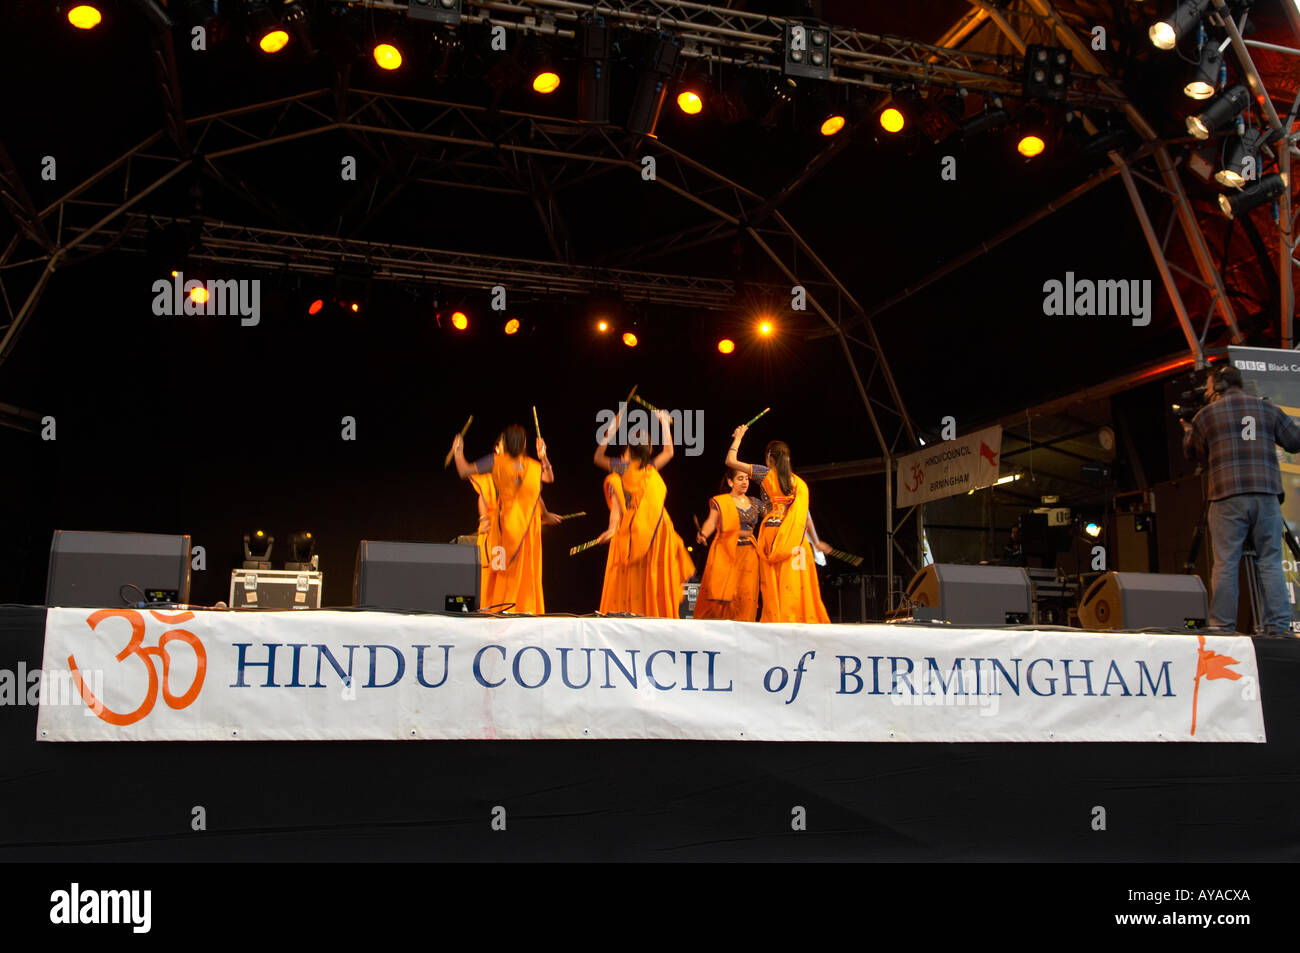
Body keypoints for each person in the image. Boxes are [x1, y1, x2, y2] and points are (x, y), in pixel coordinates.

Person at [1182, 364, 1300, 637]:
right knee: (1270, 561)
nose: (1208, 393)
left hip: (1227, 497)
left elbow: (1193, 454)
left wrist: (1188, 430)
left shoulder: (1206, 415)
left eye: (1210, 388)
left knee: (1226, 562)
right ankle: (1279, 628)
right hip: (1266, 495)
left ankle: (1223, 627)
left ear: (1220, 387)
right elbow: (1294, 441)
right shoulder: (1267, 409)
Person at [594, 406, 695, 617]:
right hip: (656, 532)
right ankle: (653, 615)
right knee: (651, 577)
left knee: (632, 578)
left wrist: (611, 431)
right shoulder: (651, 469)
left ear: (627, 449)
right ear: (649, 450)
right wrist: (664, 423)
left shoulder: (620, 468)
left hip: (629, 533)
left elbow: (597, 458)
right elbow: (669, 451)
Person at [726, 426, 831, 623]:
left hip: (772, 533)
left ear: (769, 457)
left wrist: (739, 437)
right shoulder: (799, 484)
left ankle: (776, 621)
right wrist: (816, 542)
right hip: (795, 539)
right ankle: (794, 620)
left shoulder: (765, 475)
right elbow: (805, 517)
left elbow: (730, 461)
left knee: (772, 582)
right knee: (792, 582)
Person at [452, 423, 554, 613]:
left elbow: (464, 471)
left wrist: (458, 451)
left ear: (505, 444)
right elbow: (549, 477)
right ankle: (523, 609)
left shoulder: (495, 462)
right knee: (522, 572)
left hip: (503, 529)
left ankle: (499, 610)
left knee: (502, 572)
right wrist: (543, 456)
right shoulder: (532, 466)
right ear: (524, 444)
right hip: (525, 530)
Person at [694, 468, 763, 621]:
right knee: (725, 595)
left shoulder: (755, 503)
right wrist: (703, 533)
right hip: (726, 551)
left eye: (746, 478)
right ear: (730, 481)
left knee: (746, 594)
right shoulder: (721, 502)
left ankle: (744, 632)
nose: (744, 482)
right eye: (740, 478)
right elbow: (711, 522)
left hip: (749, 554)